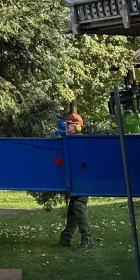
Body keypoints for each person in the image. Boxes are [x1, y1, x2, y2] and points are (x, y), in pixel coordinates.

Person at [56, 103, 94, 250]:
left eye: (70, 125)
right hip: (78, 180)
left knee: (78, 206)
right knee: (72, 209)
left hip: (84, 180)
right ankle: (65, 239)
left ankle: (88, 241)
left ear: (78, 126)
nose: (67, 127)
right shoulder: (71, 141)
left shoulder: (80, 141)